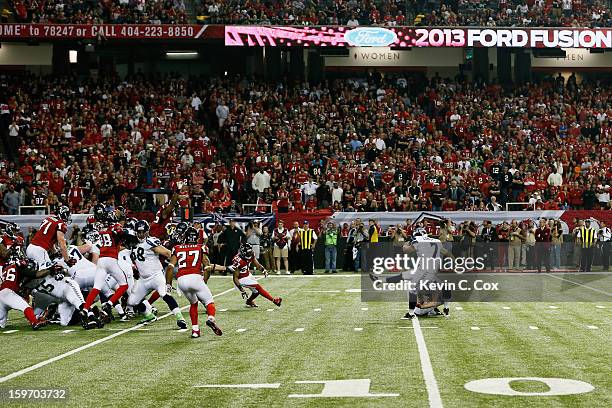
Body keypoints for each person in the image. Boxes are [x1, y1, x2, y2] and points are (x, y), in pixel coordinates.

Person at [166, 227, 222, 338]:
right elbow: (207, 266)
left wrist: (168, 284)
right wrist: (204, 280)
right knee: (209, 301)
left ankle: (195, 330)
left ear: (185, 237)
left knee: (193, 303)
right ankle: (211, 318)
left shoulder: (177, 248)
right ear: (197, 238)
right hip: (195, 277)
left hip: (181, 280)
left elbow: (170, 267)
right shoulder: (201, 247)